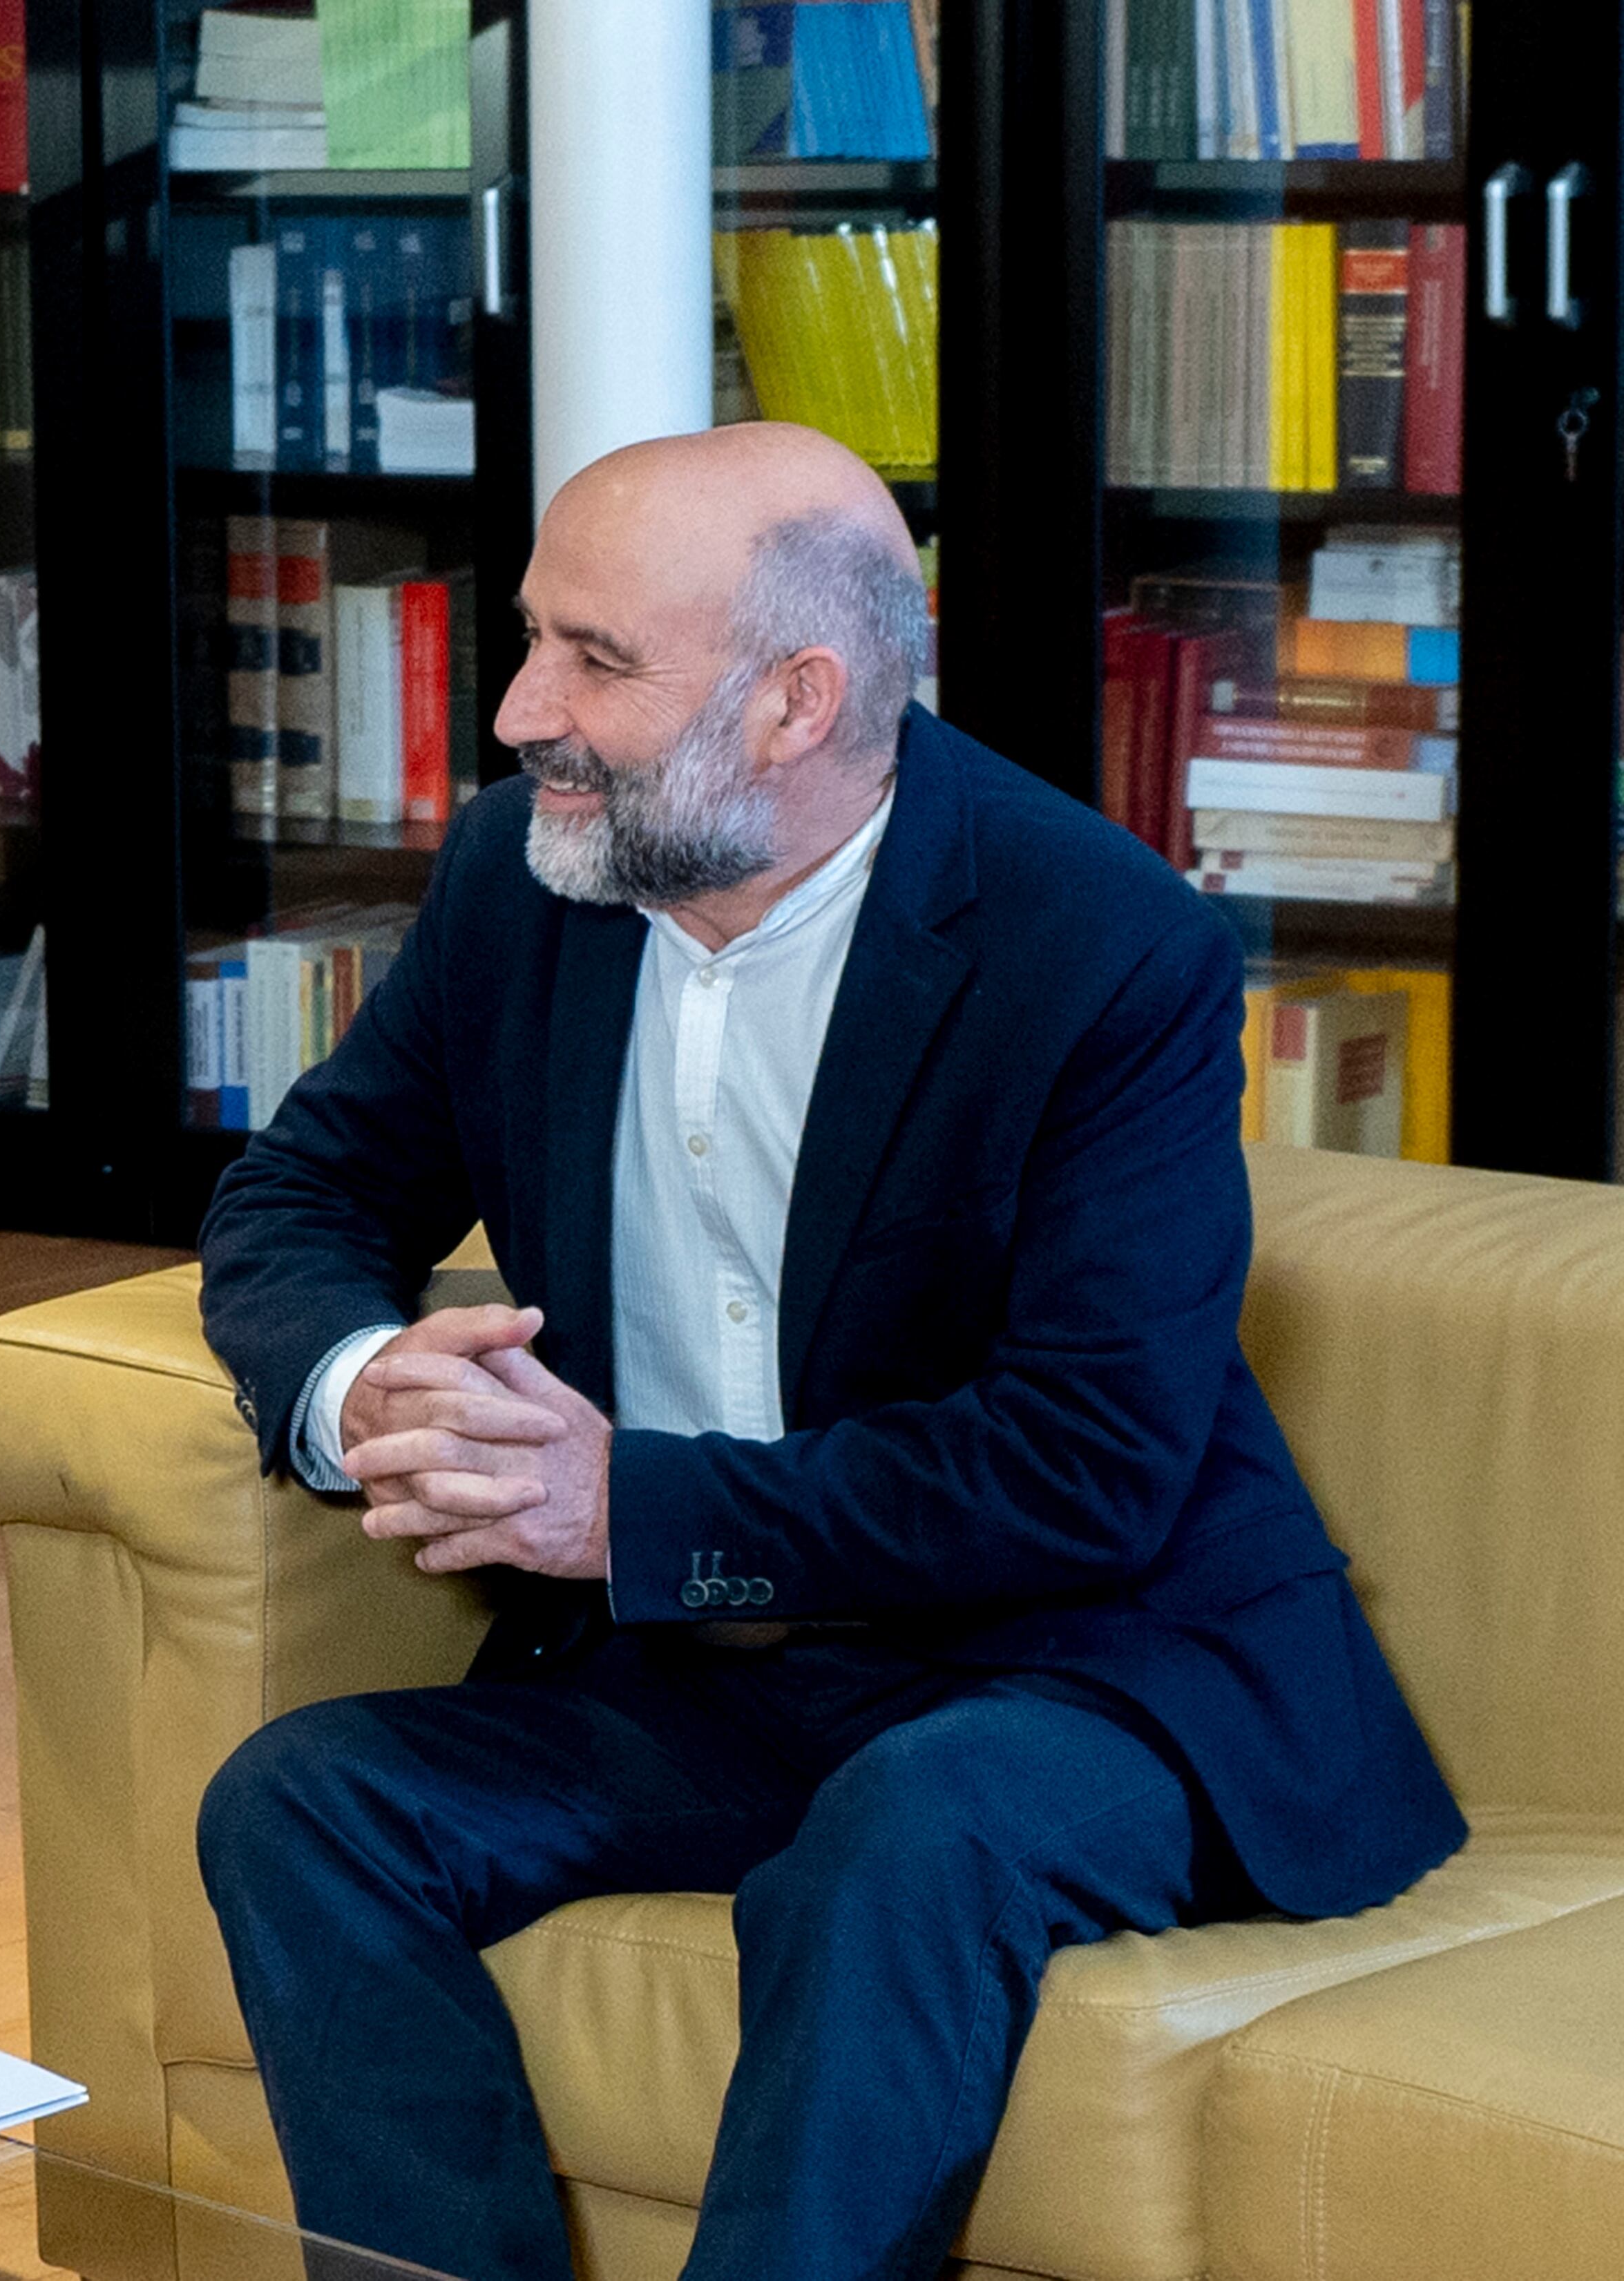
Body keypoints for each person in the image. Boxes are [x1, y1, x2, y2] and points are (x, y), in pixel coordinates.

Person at [191, 423, 1460, 2281]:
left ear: (798, 701)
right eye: (533, 638)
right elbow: (299, 1201)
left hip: (1081, 1670)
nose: (520, 709)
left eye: (596, 660)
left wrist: (630, 1510)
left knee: (906, 1831)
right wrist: (358, 1382)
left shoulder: (1098, 947)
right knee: (306, 1802)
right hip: (718, 1679)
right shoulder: (523, 889)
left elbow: (1087, 1461)